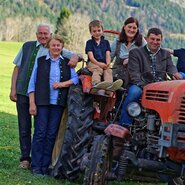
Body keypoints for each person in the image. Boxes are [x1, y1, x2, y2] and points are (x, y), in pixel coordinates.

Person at [9, 23, 80, 169]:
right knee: (24, 126)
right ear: (36, 34)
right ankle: (25, 159)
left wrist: (76, 57)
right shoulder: (27, 46)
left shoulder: (53, 47)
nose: (43, 36)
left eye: (45, 34)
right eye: (40, 33)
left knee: (42, 129)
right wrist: (13, 89)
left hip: (43, 96)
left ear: (50, 35)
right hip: (24, 91)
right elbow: (17, 68)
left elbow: (75, 56)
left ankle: (43, 162)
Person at [27, 34, 79, 175]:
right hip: (42, 103)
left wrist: (62, 84)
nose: (56, 47)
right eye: (53, 45)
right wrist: (32, 103)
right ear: (49, 46)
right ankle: (36, 166)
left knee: (51, 135)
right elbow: (32, 84)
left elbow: (76, 79)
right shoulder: (41, 61)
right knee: (39, 133)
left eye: (58, 45)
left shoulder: (67, 62)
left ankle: (45, 166)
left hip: (58, 104)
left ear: (62, 47)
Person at [119, 27, 182, 126]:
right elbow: (134, 74)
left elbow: (171, 67)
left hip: (159, 86)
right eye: (152, 39)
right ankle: (124, 125)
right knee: (134, 93)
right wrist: (146, 87)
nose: (155, 42)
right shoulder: (135, 53)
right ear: (147, 38)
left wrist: (175, 73)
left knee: (175, 99)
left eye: (158, 40)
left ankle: (167, 127)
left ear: (161, 40)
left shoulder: (165, 54)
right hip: (138, 84)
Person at [85, 20, 122, 95]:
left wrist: (108, 63)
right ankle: (96, 85)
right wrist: (99, 64)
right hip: (93, 63)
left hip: (103, 64)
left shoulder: (106, 42)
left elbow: (108, 54)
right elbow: (91, 57)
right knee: (98, 69)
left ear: (102, 31)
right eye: (94, 31)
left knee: (108, 71)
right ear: (91, 32)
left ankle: (109, 87)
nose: (97, 33)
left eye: (99, 30)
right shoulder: (89, 43)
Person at [111, 17, 147, 87]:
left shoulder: (141, 42)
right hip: (118, 76)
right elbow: (109, 57)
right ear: (124, 27)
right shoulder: (117, 42)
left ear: (137, 30)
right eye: (129, 27)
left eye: (134, 28)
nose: (131, 30)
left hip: (134, 78)